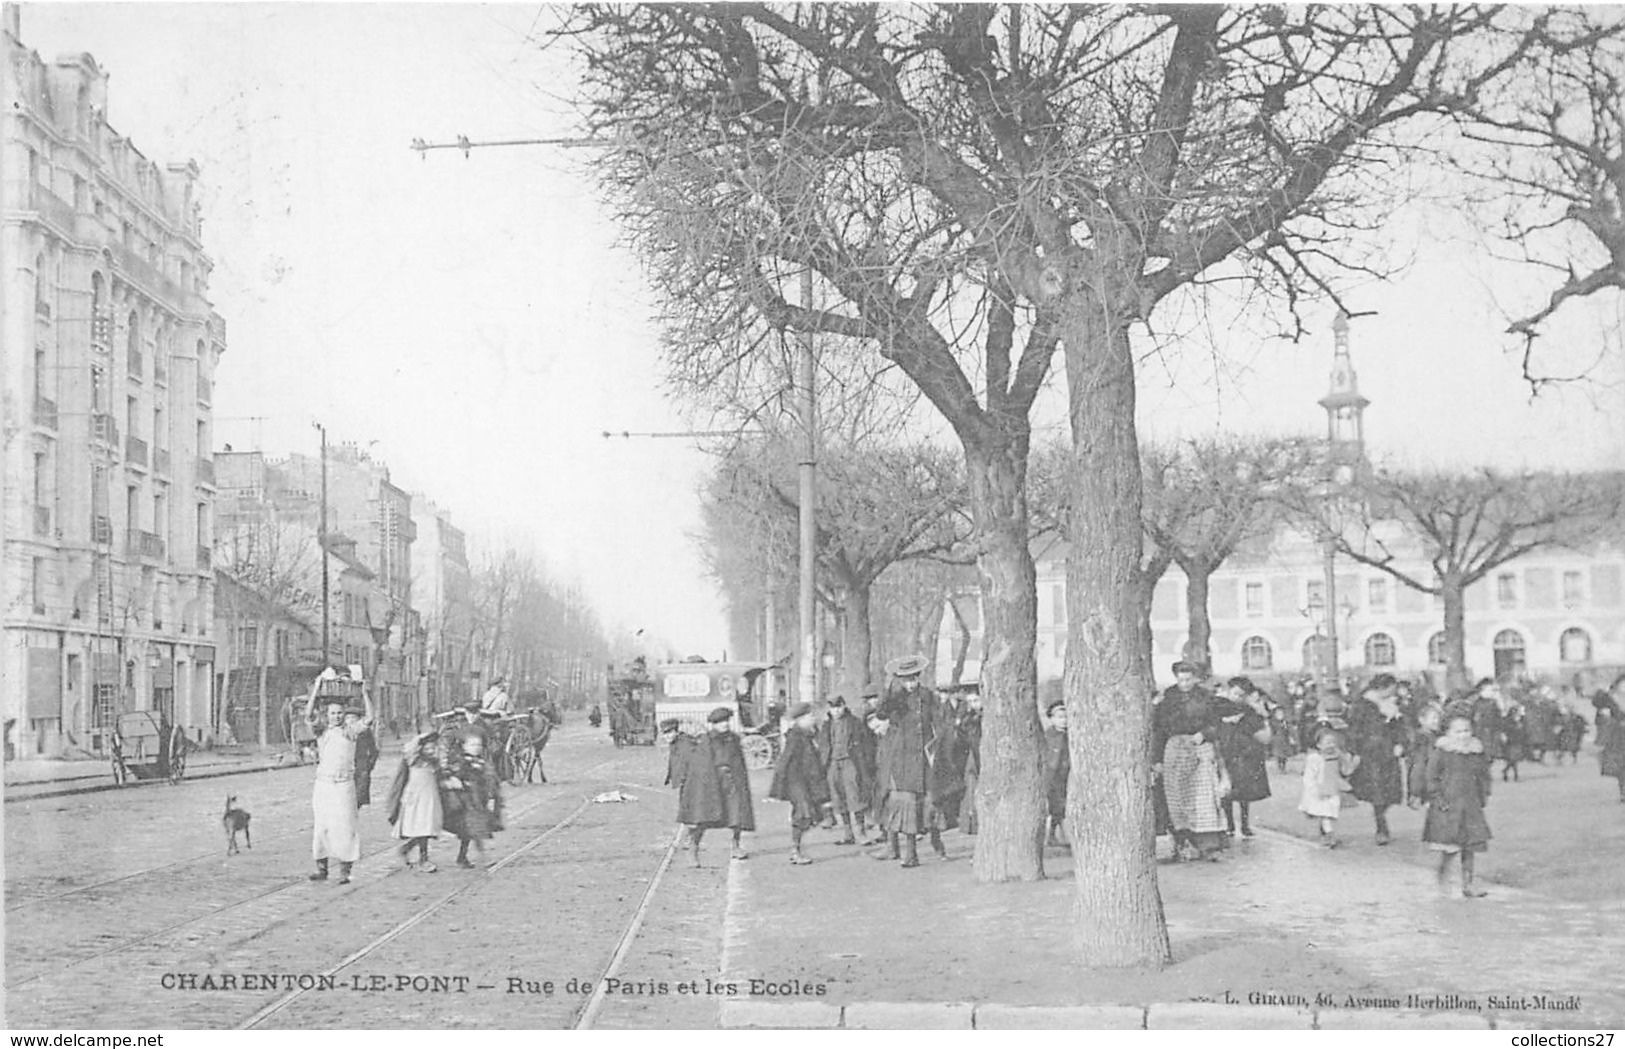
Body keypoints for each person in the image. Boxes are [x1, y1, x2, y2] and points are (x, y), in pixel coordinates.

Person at [870, 655, 956, 867]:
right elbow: (881, 713)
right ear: (900, 680)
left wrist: (938, 744)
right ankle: (909, 853)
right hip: (902, 759)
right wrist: (888, 687)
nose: (911, 683)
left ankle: (936, 842)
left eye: (914, 678)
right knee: (905, 803)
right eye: (906, 679)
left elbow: (939, 721)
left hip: (925, 758)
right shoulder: (896, 698)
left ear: (919, 677)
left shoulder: (928, 696)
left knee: (929, 800)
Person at [304, 669, 375, 884]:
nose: (336, 716)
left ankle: (345, 871)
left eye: (339, 713)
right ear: (326, 715)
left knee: (345, 826)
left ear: (344, 715)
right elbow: (308, 716)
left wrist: (364, 693)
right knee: (322, 826)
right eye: (332, 713)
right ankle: (322, 868)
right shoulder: (322, 732)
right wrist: (316, 689)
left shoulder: (350, 731)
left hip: (344, 785)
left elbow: (370, 718)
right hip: (324, 785)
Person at [1153, 660, 1228, 862]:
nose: (1184, 683)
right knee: (1176, 796)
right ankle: (1182, 842)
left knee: (1203, 797)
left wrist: (1204, 734)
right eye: (1181, 679)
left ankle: (1208, 845)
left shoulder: (1206, 697)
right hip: (1175, 749)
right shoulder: (1168, 698)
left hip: (1199, 747)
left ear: (1195, 678)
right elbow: (1158, 729)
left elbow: (1216, 724)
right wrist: (1157, 758)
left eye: (1188, 679)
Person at [676, 707, 756, 867]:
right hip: (712, 782)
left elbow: (738, 762)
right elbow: (701, 766)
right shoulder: (706, 740)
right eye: (720, 722)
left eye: (726, 721)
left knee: (737, 814)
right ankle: (693, 850)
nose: (724, 724)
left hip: (732, 781)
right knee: (702, 818)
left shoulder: (733, 739)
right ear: (713, 724)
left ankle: (736, 846)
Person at [1423, 715, 1493, 897]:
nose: (1463, 735)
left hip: (1470, 805)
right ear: (1448, 733)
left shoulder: (1476, 753)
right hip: (1448, 806)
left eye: (1467, 731)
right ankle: (1442, 879)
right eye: (1458, 731)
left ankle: (1468, 884)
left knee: (1470, 847)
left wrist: (1483, 795)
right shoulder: (1442, 752)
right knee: (1450, 847)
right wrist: (1437, 798)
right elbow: (1431, 777)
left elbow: (1484, 776)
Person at [1347, 673, 1407, 846]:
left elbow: (1400, 727)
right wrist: (1355, 750)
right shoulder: (1364, 705)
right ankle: (1381, 827)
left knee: (1390, 791)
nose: (1393, 692)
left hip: (1389, 754)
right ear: (1382, 688)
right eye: (1391, 688)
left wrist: (1401, 743)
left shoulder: (1392, 705)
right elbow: (1355, 729)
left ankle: (1380, 818)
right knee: (1378, 791)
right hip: (1371, 754)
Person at [768, 703, 829, 865]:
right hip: (796, 783)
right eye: (809, 716)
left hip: (807, 782)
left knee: (812, 815)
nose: (813, 719)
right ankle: (795, 851)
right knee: (803, 813)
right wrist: (777, 788)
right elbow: (784, 761)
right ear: (800, 719)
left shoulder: (808, 735)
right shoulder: (795, 736)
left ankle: (796, 848)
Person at [1217, 677, 1272, 839]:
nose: (1237, 698)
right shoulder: (1220, 707)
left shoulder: (1249, 712)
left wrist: (1261, 717)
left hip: (1245, 754)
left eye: (1241, 695)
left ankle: (1244, 824)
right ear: (1229, 692)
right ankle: (1229, 824)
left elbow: (1261, 734)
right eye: (1235, 694)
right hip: (1226, 752)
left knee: (1244, 792)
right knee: (1227, 791)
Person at [818, 696, 874, 846]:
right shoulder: (826, 725)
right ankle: (848, 833)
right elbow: (823, 745)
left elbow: (865, 744)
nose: (836, 711)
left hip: (851, 762)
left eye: (838, 707)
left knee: (855, 797)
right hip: (833, 764)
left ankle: (861, 833)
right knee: (838, 798)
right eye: (833, 708)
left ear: (844, 706)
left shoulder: (854, 723)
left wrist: (865, 763)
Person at [385, 731, 443, 872]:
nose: (431, 751)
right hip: (415, 798)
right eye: (427, 748)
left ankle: (408, 849)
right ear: (420, 749)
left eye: (433, 748)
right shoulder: (414, 761)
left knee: (427, 828)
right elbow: (410, 751)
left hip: (430, 798)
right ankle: (423, 859)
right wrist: (420, 739)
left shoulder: (434, 763)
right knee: (421, 828)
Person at [443, 732, 502, 868]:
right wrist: (458, 781)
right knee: (475, 830)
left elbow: (487, 778)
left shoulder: (480, 761)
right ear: (464, 746)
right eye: (472, 745)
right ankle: (482, 857)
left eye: (479, 745)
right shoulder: (460, 761)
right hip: (465, 803)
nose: (476, 747)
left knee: (469, 832)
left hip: (477, 801)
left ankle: (462, 857)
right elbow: (452, 775)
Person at [1298, 728, 1359, 848]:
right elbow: (1310, 777)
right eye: (1327, 743)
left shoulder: (1338, 756)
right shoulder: (1315, 758)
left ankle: (1325, 833)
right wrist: (1314, 790)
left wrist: (1353, 764)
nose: (1331, 745)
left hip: (1334, 788)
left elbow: (1345, 771)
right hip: (1321, 790)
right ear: (1319, 745)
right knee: (1327, 813)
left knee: (1330, 813)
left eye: (1333, 742)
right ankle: (1329, 835)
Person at [1042, 699, 1070, 847]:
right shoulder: (1049, 735)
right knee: (1056, 805)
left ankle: (1060, 833)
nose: (1063, 721)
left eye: (1065, 717)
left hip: (1067, 774)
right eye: (1059, 717)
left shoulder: (1072, 735)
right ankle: (1054, 834)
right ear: (1052, 719)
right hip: (1053, 775)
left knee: (1063, 806)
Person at [1596, 675, 1625, 802]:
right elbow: (1597, 701)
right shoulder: (1610, 699)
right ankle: (1623, 792)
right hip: (1618, 737)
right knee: (1620, 766)